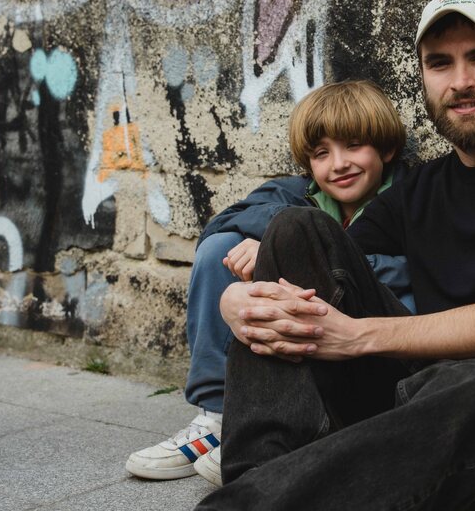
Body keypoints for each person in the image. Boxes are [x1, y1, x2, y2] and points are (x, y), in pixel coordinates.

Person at [198, 0, 475, 510]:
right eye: (440, 64)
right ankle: (260, 476)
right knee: (295, 230)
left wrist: (357, 337)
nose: (461, 81)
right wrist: (234, 302)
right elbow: (321, 265)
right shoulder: (420, 188)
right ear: (424, 79)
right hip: (413, 399)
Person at [124, 79, 413, 486]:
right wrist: (273, 239)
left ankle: (285, 428)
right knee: (223, 246)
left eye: (353, 146)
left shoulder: (412, 194)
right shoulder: (297, 192)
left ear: (386, 149)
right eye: (321, 153)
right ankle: (218, 415)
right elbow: (224, 221)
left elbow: (423, 271)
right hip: (304, 327)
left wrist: (319, 252)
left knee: (300, 251)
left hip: (377, 354)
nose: (338, 164)